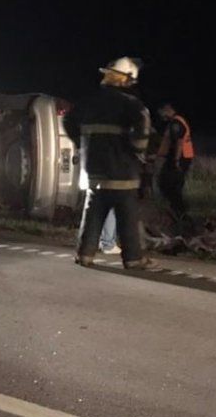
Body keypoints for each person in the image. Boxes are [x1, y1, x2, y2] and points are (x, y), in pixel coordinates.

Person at [63, 56, 154, 269]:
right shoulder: (131, 105)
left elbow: (68, 120)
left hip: (93, 168)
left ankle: (85, 254)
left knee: (93, 212)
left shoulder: (88, 101)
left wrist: (80, 142)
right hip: (122, 170)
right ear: (126, 80)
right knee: (127, 216)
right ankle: (133, 259)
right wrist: (138, 150)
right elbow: (143, 126)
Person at [156, 103, 195, 226]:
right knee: (170, 185)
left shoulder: (176, 124)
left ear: (168, 109)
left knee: (169, 184)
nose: (161, 115)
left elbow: (178, 143)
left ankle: (181, 214)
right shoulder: (177, 121)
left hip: (179, 159)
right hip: (181, 158)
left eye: (161, 112)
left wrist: (176, 161)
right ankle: (177, 211)